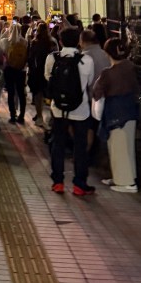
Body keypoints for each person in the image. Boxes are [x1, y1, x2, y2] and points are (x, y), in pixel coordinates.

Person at [44, 26, 95, 196]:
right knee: (80, 146)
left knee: (57, 144)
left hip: (58, 108)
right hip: (80, 108)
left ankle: (58, 182)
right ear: (79, 42)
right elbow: (89, 84)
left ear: (60, 41)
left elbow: (48, 78)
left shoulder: (52, 58)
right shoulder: (86, 60)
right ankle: (79, 184)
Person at [92, 39, 140, 193]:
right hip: (130, 110)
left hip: (115, 112)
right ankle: (127, 177)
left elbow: (96, 91)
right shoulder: (130, 67)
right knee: (128, 147)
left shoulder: (108, 73)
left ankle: (125, 182)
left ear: (107, 53)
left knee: (117, 146)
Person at [27, 22, 55, 123]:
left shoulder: (34, 42)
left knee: (38, 95)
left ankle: (39, 116)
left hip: (37, 71)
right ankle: (53, 116)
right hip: (49, 71)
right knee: (50, 95)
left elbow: (30, 58)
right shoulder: (51, 43)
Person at [3, 22, 29, 124]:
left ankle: (12, 115)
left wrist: (5, 33)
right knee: (21, 93)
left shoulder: (6, 42)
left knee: (11, 93)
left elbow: (2, 51)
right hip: (21, 70)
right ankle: (22, 116)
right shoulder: (25, 42)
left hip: (9, 69)